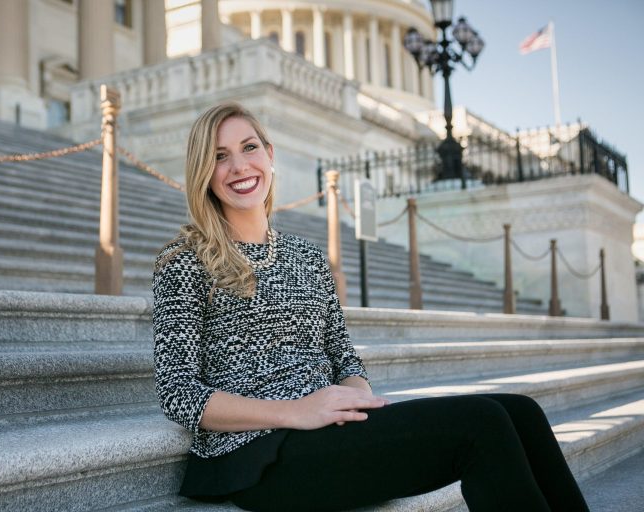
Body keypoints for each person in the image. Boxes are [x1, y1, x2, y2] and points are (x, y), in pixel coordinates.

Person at [152, 102, 589, 512]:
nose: (239, 166)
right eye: (220, 156)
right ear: (203, 173)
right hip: (258, 454)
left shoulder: (306, 256)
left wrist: (357, 397)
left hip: (330, 429)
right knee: (482, 425)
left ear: (269, 154)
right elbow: (178, 394)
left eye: (248, 148)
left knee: (522, 411)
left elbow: (342, 355)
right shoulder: (185, 260)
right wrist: (297, 412)